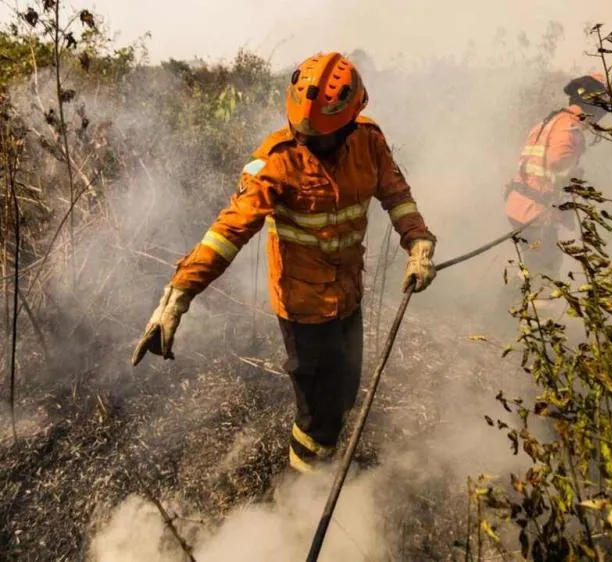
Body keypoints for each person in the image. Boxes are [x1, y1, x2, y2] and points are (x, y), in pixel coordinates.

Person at [130, 51, 438, 474]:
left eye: (321, 137)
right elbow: (228, 232)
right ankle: (303, 484)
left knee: (346, 390)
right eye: (302, 131)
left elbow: (397, 195)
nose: (309, 142)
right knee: (316, 412)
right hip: (302, 307)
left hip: (349, 293)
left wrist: (418, 242)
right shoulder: (276, 160)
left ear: (350, 121)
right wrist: (177, 296)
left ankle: (323, 455)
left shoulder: (368, 141)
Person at [503, 72, 609, 284]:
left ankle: (505, 310)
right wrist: (575, 180)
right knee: (545, 273)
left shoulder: (552, 120)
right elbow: (556, 162)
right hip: (534, 212)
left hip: (519, 205)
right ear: (593, 106)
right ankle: (524, 313)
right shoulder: (570, 128)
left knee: (534, 266)